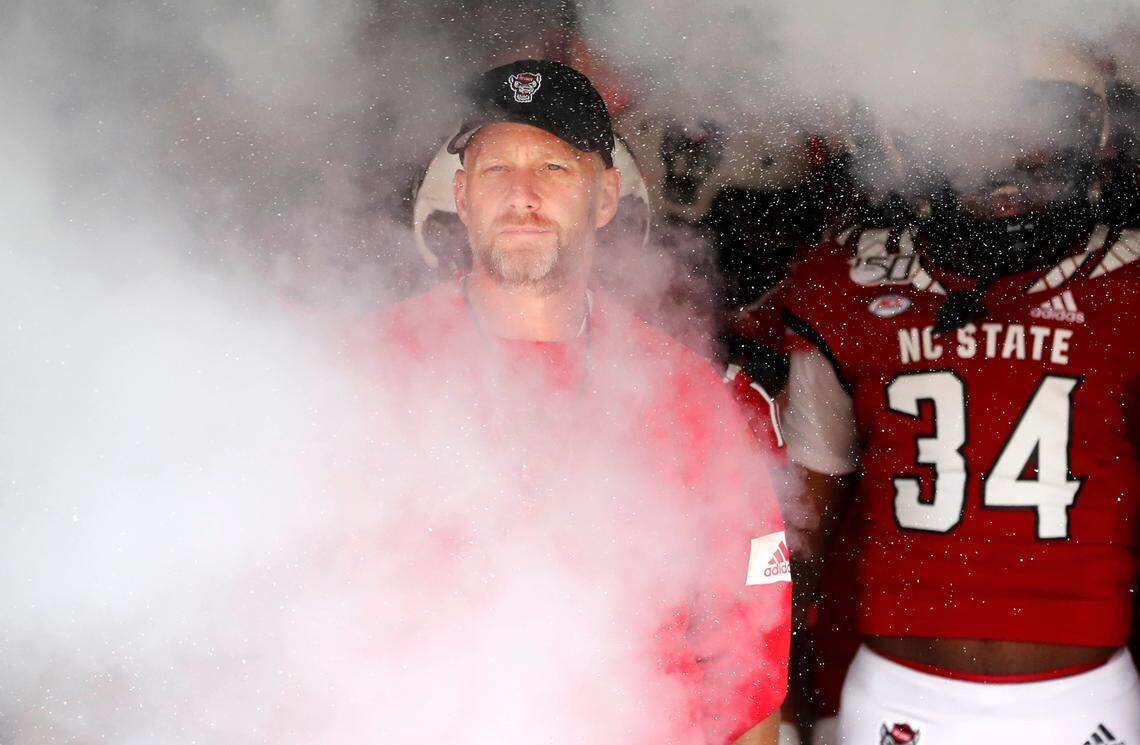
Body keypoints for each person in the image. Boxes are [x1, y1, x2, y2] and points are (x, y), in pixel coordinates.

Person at [365, 59, 790, 744]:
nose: (523, 194)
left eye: (555, 168)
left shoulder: (686, 391)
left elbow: (746, 672)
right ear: (465, 196)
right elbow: (299, 623)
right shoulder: (369, 371)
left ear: (605, 196)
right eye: (498, 169)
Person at [780, 42, 1140, 743]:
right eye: (979, 122)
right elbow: (800, 544)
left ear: (1090, 134)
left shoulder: (1127, 287)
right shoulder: (848, 282)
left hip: (1084, 696)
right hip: (902, 698)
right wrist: (782, 702)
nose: (1008, 152)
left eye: (1036, 121)